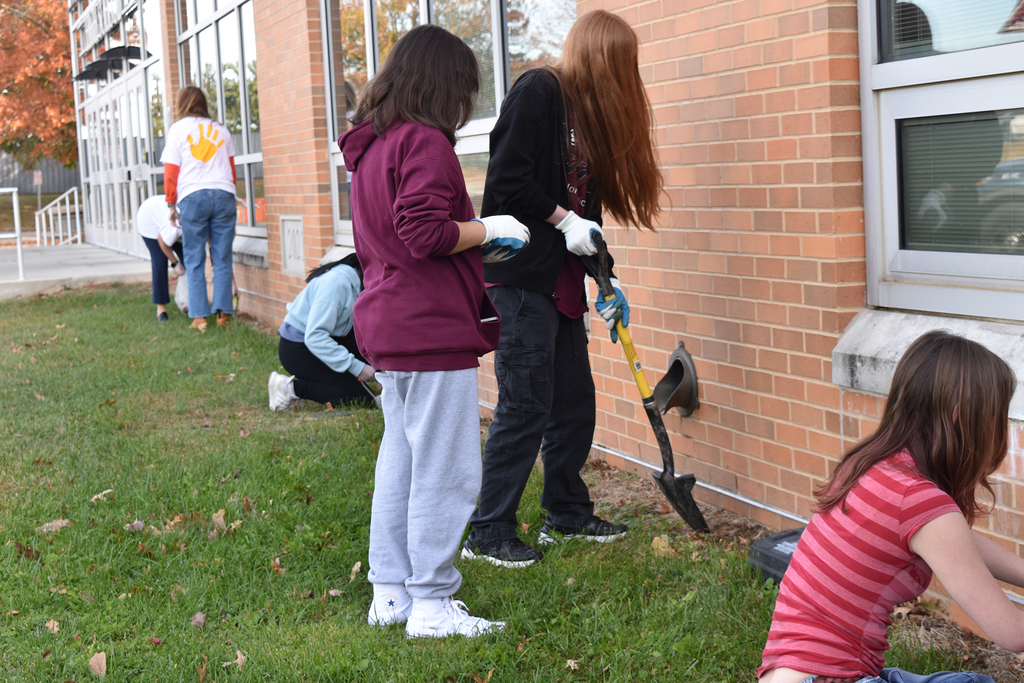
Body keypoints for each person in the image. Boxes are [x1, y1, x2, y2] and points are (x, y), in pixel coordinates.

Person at [338, 25, 530, 638]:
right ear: (443, 83)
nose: (465, 103)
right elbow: (424, 232)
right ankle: (431, 604)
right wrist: (489, 228)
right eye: (464, 89)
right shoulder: (424, 141)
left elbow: (395, 236)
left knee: (400, 462)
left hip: (388, 328)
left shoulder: (371, 149)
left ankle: (389, 593)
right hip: (429, 330)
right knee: (445, 469)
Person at [462, 10, 664, 568]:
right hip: (521, 280)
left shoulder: (588, 119)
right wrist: (563, 222)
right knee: (526, 404)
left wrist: (606, 273)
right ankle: (489, 530)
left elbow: (586, 214)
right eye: (620, 62)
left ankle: (567, 513)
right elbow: (505, 183)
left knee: (574, 402)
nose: (626, 74)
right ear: (598, 58)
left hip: (563, 286)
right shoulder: (540, 92)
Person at [758, 330, 1022, 683]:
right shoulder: (920, 502)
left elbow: (958, 544)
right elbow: (1012, 633)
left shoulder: (871, 467)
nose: (1003, 434)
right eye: (998, 418)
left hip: (788, 672)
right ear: (962, 417)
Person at [160, 85, 237, 332]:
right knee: (222, 257)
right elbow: (232, 169)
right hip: (224, 194)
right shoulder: (221, 129)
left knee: (194, 258)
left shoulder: (178, 129)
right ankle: (224, 315)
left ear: (183, 104)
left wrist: (171, 204)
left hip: (193, 196)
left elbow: (171, 171)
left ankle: (199, 318)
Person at [267, 251, 377, 411]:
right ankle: (289, 388)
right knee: (362, 400)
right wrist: (358, 368)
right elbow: (315, 336)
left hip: (326, 340)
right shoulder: (337, 284)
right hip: (298, 349)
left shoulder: (354, 281)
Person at [136, 193, 185, 321]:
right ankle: (161, 310)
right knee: (160, 260)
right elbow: (162, 239)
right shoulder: (178, 223)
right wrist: (175, 264)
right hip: (149, 221)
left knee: (188, 259)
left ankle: (191, 304)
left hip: (166, 222)